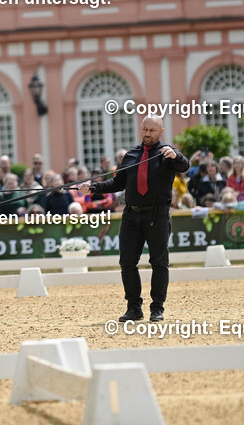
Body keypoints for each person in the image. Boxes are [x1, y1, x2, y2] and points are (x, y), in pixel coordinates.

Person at [78, 116, 188, 322]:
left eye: (152, 131)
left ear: (161, 131)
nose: (147, 134)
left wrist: (176, 155)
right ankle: (134, 307)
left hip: (157, 215)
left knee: (159, 262)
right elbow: (117, 183)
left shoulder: (167, 153)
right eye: (145, 129)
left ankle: (157, 308)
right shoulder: (131, 155)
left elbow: (184, 166)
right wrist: (93, 188)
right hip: (131, 214)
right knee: (127, 262)